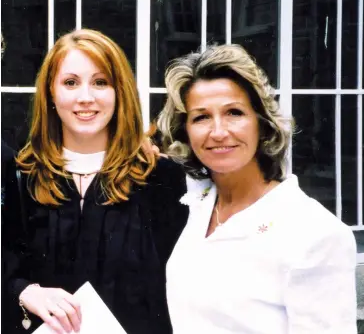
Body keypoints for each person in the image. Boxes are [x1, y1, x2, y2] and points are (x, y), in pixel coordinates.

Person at [157, 44, 357, 333]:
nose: (218, 132)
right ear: (185, 130)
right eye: (201, 117)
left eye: (234, 113)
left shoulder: (316, 234)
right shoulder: (197, 204)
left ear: (261, 124)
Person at [2, 29, 188, 334]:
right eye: (70, 83)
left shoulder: (161, 179)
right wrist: (25, 291)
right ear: (50, 91)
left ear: (120, 92)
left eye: (101, 82)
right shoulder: (22, 176)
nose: (85, 97)